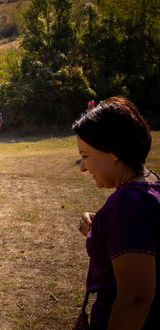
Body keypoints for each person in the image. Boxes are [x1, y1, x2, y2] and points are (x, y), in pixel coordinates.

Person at [74, 96, 159, 329]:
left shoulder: (127, 204)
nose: (82, 168)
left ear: (112, 151)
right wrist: (100, 228)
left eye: (85, 156)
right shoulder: (151, 186)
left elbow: (136, 298)